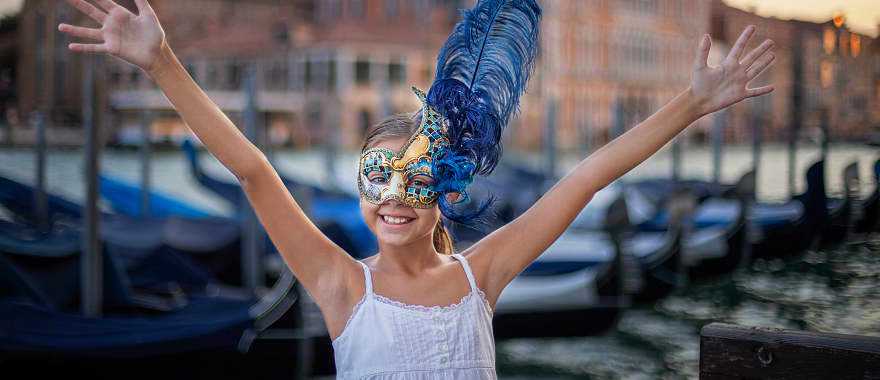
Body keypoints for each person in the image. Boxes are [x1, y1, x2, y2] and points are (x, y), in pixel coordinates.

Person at [58, 0, 774, 378]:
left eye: (415, 176)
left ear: (445, 192)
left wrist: (692, 103)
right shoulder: (341, 286)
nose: (394, 194)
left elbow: (587, 176)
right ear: (361, 193)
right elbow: (253, 169)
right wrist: (162, 64)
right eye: (377, 176)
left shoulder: (481, 274)